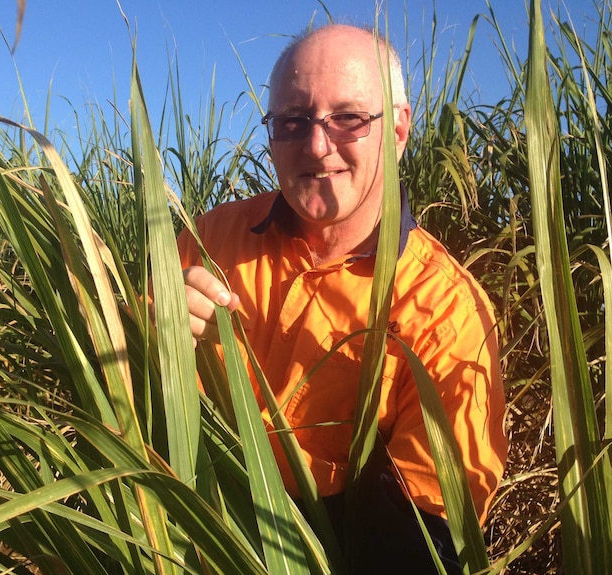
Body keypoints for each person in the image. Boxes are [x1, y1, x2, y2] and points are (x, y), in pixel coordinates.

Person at [176, 23, 507, 573]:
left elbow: (424, 541)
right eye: (293, 120)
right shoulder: (209, 238)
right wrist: (154, 332)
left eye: (348, 118)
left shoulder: (449, 313)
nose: (315, 145)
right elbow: (125, 386)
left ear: (398, 130)